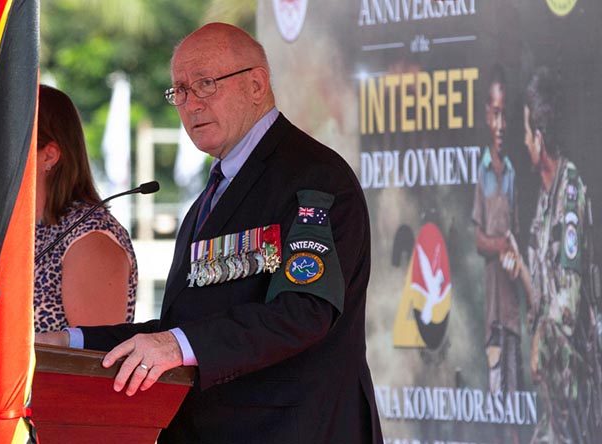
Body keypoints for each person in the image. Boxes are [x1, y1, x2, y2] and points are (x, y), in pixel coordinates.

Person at [37, 23, 382, 443]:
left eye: (205, 84)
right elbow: (179, 327)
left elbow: (304, 311)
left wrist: (175, 344)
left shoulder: (312, 177)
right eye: (179, 90)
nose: (190, 104)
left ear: (256, 85)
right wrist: (67, 340)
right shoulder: (212, 196)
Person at [0, 84, 138, 332]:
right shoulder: (29, 231)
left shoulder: (91, 238)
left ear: (49, 156)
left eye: (1, 149)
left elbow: (94, 357)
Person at [509, 66, 595, 443]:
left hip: (577, 387)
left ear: (540, 139)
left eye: (527, 133)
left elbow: (569, 301)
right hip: (553, 393)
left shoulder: (570, 194)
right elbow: (542, 299)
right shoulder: (543, 204)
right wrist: (522, 272)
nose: (524, 142)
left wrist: (541, 338)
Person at [471, 65, 521, 443]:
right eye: (497, 114)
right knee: (496, 394)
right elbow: (479, 240)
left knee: (517, 400)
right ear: (488, 116)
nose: (502, 125)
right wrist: (500, 245)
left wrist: (512, 248)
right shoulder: (483, 171)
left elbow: (516, 235)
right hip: (492, 314)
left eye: (507, 115)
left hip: (513, 310)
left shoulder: (513, 173)